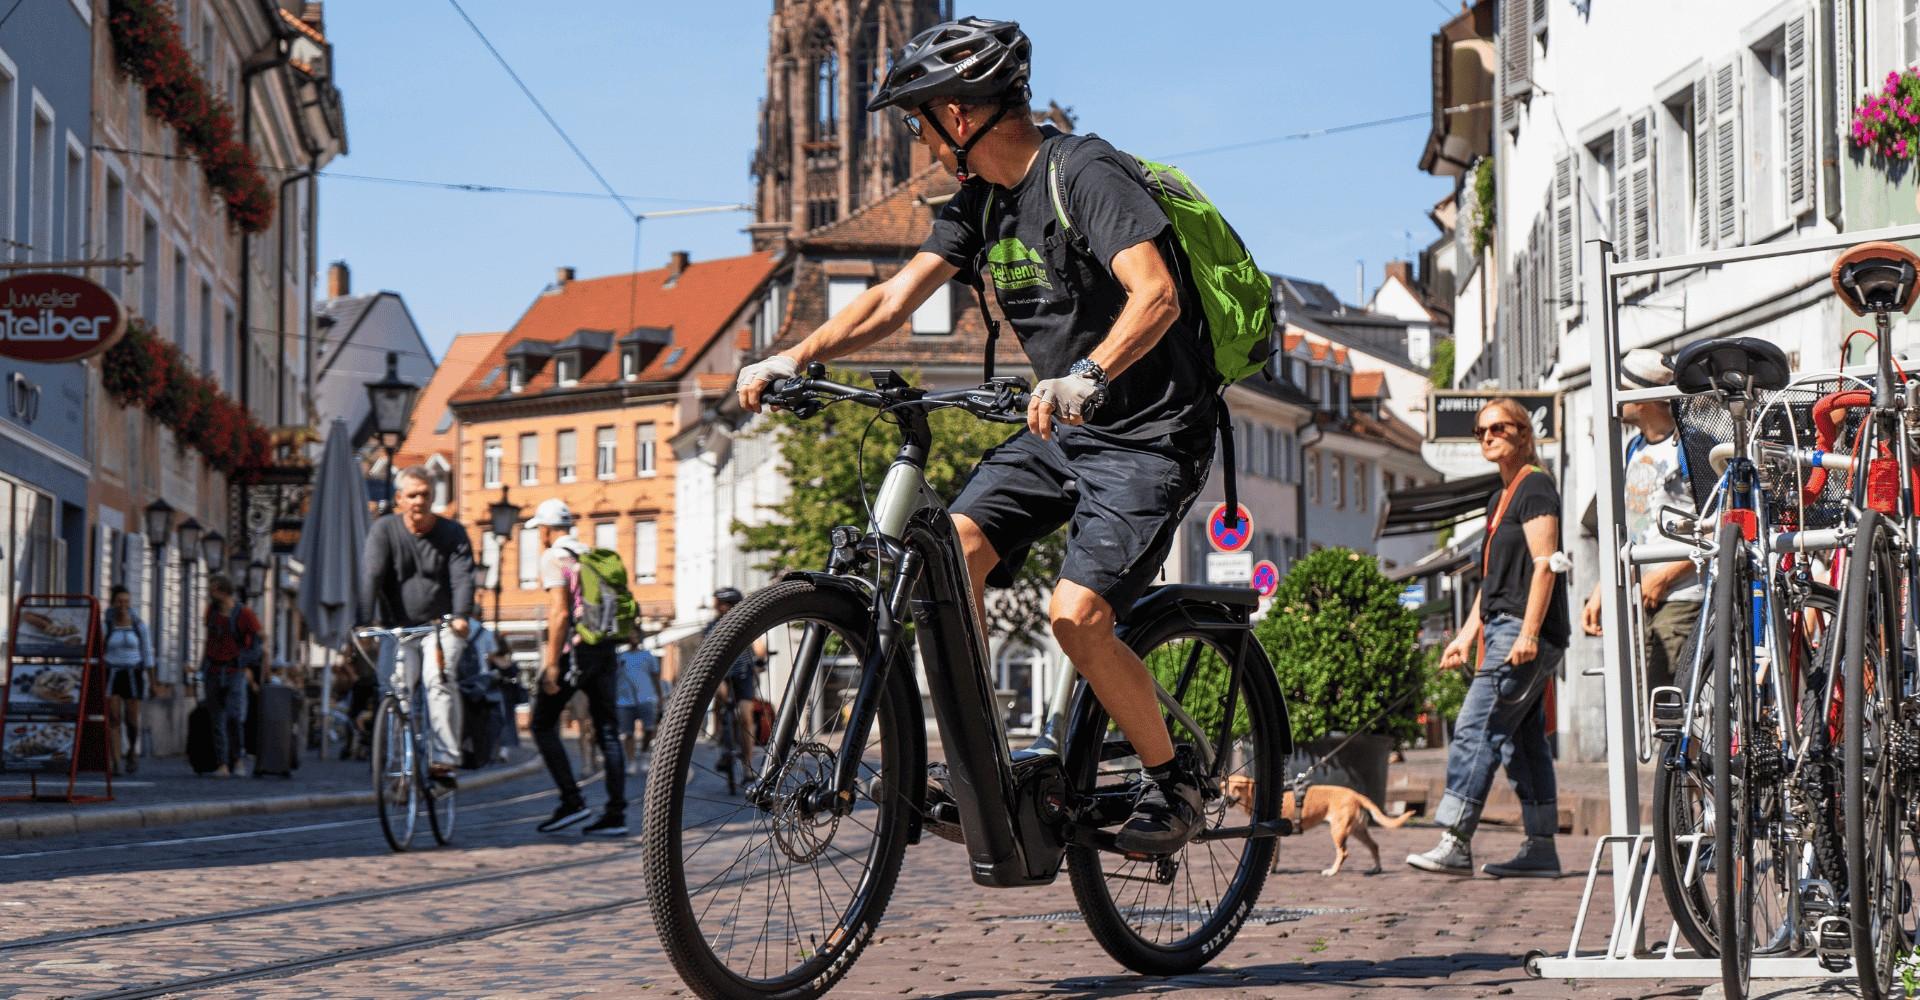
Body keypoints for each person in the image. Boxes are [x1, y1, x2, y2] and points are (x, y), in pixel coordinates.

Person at [735, 17, 1217, 854]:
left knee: (1076, 617)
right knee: (947, 556)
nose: (916, 139)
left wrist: (1089, 374)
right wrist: (794, 354)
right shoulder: (982, 203)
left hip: (1147, 434)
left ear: (958, 116)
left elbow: (1157, 295)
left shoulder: (1084, 173)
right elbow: (894, 299)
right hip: (1059, 428)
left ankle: (1174, 778)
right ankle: (983, 766)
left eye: (917, 121)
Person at [1408, 398, 1571, 878]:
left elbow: (1545, 565)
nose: (1487, 437)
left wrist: (1529, 633)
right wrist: (1464, 636)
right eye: (1481, 431)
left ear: (1523, 432)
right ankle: (1541, 848)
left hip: (1521, 630)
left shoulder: (1535, 486)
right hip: (1501, 626)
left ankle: (1455, 840)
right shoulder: (1499, 499)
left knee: (1475, 728)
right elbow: (1491, 582)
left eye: (1498, 427)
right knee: (1522, 743)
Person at [1582, 349, 1702, 695]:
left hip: (1681, 595)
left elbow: (1715, 523)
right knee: (1643, 697)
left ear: (1642, 398)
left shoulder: (1688, 446)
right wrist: (1602, 588)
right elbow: (1632, 527)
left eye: (1621, 389)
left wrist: (1663, 577)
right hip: (1642, 597)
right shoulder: (1633, 447)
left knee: (1670, 697)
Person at [360, 465, 474, 787]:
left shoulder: (452, 533)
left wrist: (462, 614)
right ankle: (399, 764)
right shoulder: (384, 530)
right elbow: (371, 573)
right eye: (412, 495)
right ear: (399, 498)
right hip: (399, 626)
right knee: (395, 688)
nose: (419, 501)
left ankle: (443, 760)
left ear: (433, 496)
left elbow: (463, 577)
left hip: (442, 625)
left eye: (424, 494)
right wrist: (362, 620)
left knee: (437, 680)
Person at [526, 498, 628, 836]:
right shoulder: (590, 553)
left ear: (545, 529)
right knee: (608, 731)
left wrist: (551, 664)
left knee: (542, 723)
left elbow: (559, 612)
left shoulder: (554, 556)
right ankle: (615, 814)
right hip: (605, 648)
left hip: (576, 652)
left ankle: (572, 801)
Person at [200, 574, 263, 777]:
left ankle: (237, 759)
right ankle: (222, 764)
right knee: (216, 718)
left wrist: (244, 661)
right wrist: (202, 667)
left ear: (222, 591)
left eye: (212, 589)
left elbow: (259, 641)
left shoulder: (244, 613)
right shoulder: (211, 612)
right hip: (213, 669)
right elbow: (209, 640)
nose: (209, 593)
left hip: (234, 671)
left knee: (234, 716)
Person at [102, 585, 155, 775]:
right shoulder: (106, 625)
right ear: (113, 603)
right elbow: (99, 649)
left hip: (133, 673)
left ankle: (132, 750)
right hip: (112, 672)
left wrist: (152, 681)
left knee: (131, 719)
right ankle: (116, 761)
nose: (123, 605)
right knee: (114, 718)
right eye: (119, 601)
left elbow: (147, 652)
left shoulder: (138, 625)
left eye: (126, 601)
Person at [614, 627, 663, 773]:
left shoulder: (648, 656)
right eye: (631, 635)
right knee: (627, 733)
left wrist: (660, 697)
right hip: (624, 700)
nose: (633, 637)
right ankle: (631, 761)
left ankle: (644, 754)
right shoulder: (620, 657)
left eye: (635, 635)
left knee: (649, 729)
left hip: (646, 697)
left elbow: (655, 678)